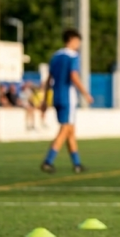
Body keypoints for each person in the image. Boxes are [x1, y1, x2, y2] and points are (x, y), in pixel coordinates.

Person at [40, 29, 93, 173]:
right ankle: (48, 161)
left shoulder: (55, 56)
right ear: (72, 40)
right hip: (68, 97)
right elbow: (74, 76)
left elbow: (48, 79)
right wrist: (85, 93)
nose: (79, 45)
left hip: (56, 96)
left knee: (70, 131)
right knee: (65, 130)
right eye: (78, 41)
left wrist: (45, 100)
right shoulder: (73, 56)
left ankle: (77, 164)